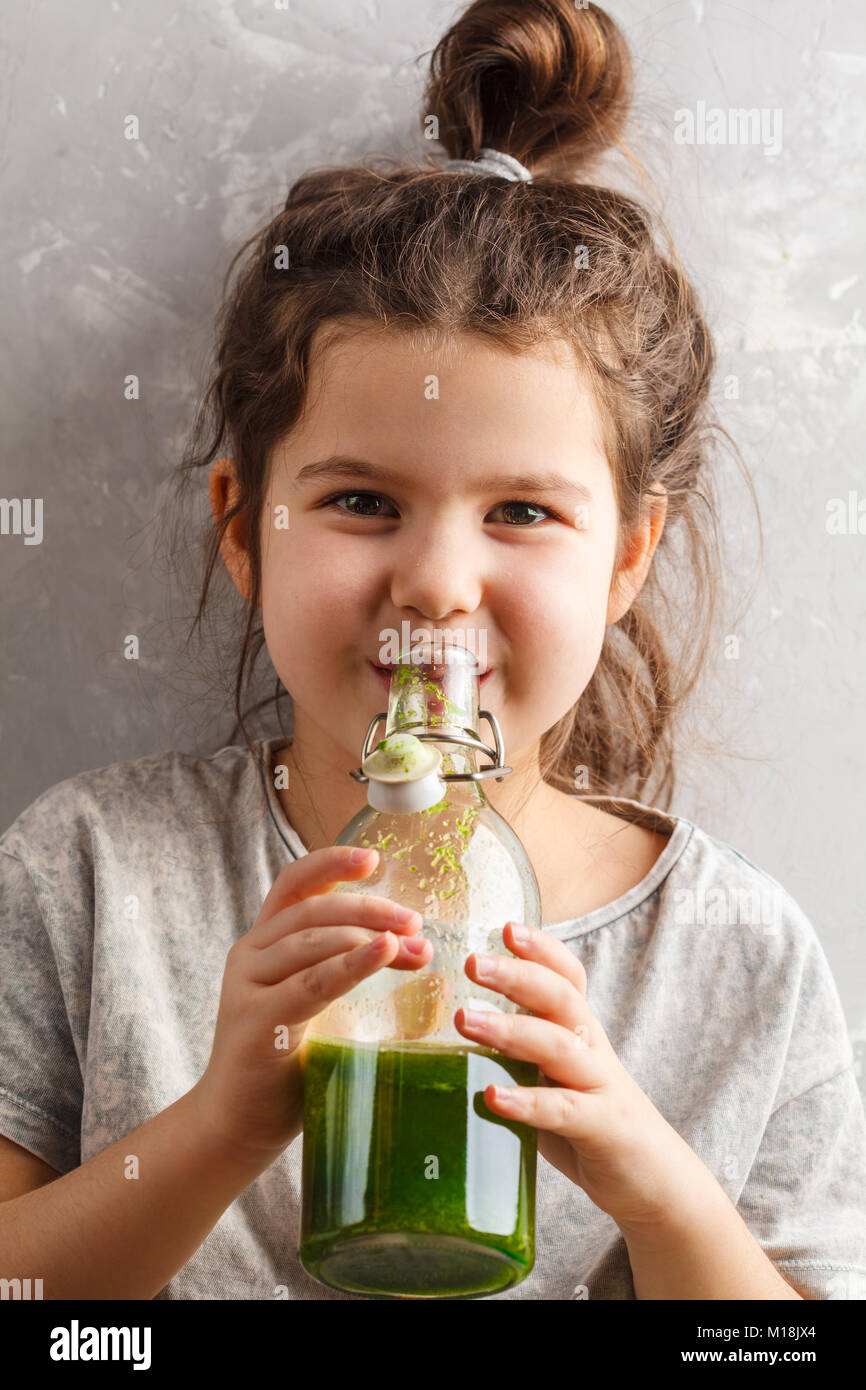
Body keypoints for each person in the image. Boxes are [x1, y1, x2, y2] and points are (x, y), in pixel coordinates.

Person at [1, 0, 864, 1301]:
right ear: (243, 528)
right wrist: (217, 1129)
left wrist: (654, 1181)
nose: (438, 583)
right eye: (360, 502)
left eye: (520, 512)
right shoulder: (91, 875)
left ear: (626, 556)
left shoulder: (733, 953)